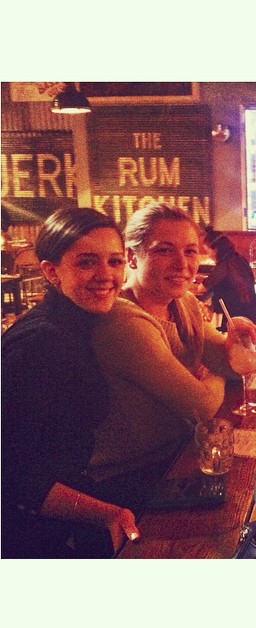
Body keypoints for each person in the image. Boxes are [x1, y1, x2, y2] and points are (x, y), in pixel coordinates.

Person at [88, 203, 256, 507]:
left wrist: (235, 341)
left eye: (191, 251)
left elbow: (235, 367)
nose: (183, 264)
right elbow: (202, 406)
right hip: (130, 479)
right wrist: (212, 371)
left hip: (180, 452)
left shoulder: (184, 304)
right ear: (132, 257)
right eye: (164, 250)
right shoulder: (121, 319)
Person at [1, 208, 140, 558]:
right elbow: (13, 474)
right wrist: (107, 514)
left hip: (68, 508)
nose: (106, 275)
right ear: (51, 272)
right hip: (30, 535)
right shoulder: (42, 344)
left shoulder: (76, 324)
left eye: (114, 261)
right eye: (86, 262)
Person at [198, 228, 256, 332]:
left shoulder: (223, 266)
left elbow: (201, 289)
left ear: (215, 250)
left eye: (208, 251)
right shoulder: (239, 258)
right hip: (252, 312)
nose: (208, 255)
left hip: (234, 318)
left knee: (203, 314)